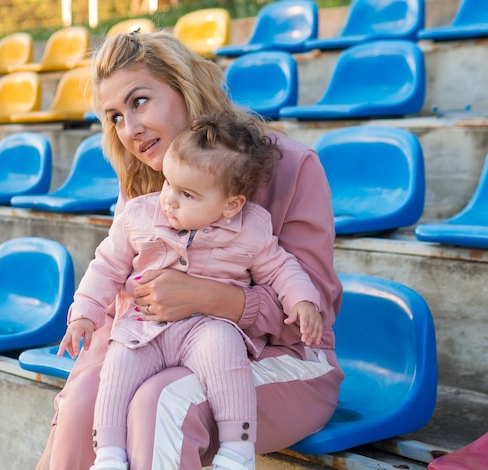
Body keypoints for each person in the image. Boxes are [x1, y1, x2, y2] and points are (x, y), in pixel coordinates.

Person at [37, 30, 344, 470]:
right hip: (167, 349)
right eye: (115, 117)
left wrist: (209, 297)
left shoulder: (291, 167)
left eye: (139, 101)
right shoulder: (145, 185)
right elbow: (119, 310)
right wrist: (68, 416)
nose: (130, 129)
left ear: (184, 88)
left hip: (286, 361)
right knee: (87, 400)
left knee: (159, 403)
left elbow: (311, 320)